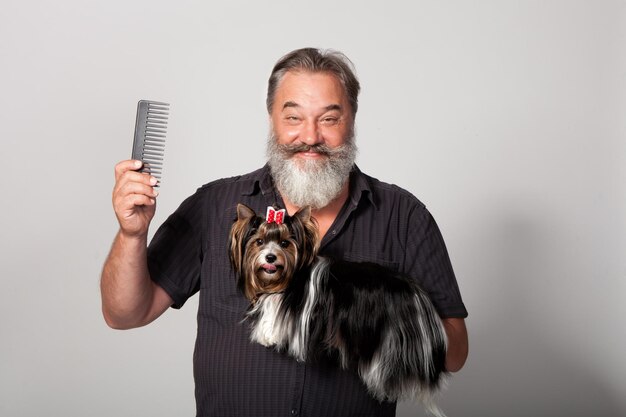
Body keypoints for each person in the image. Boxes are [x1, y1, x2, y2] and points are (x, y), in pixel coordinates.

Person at [101, 47, 468, 417]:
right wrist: (132, 235)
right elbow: (125, 314)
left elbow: (455, 354)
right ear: (272, 119)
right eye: (293, 117)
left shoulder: (404, 217)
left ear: (352, 120)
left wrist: (370, 309)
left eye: (328, 119)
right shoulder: (213, 206)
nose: (310, 136)